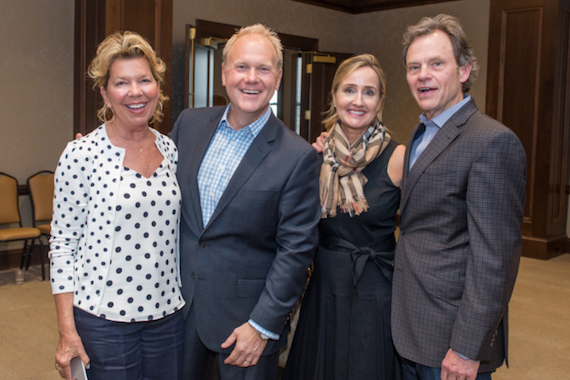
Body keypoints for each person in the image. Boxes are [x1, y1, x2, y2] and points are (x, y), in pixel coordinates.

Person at [168, 24, 320, 379]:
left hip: (244, 329)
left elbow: (296, 251)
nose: (251, 79)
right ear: (224, 73)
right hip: (177, 309)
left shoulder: (296, 156)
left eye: (263, 69)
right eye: (241, 67)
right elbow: (153, 183)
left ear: (278, 77)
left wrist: (262, 325)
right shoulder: (188, 124)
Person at [391, 14, 527, 380]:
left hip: (452, 341)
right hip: (411, 325)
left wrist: (468, 347)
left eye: (437, 64)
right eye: (414, 67)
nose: (423, 75)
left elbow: (495, 260)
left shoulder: (492, 141)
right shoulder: (421, 133)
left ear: (464, 70)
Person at [50, 31, 185, 380]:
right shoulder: (81, 154)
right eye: (121, 83)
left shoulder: (172, 150)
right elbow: (63, 245)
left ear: (157, 88)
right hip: (102, 322)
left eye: (144, 80)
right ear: (105, 94)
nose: (135, 92)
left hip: (167, 317)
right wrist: (67, 333)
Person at [283, 54, 405, 380]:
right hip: (324, 291)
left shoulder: (399, 158)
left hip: (376, 294)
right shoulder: (315, 157)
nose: (358, 100)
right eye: (349, 90)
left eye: (369, 92)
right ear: (335, 96)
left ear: (380, 102)